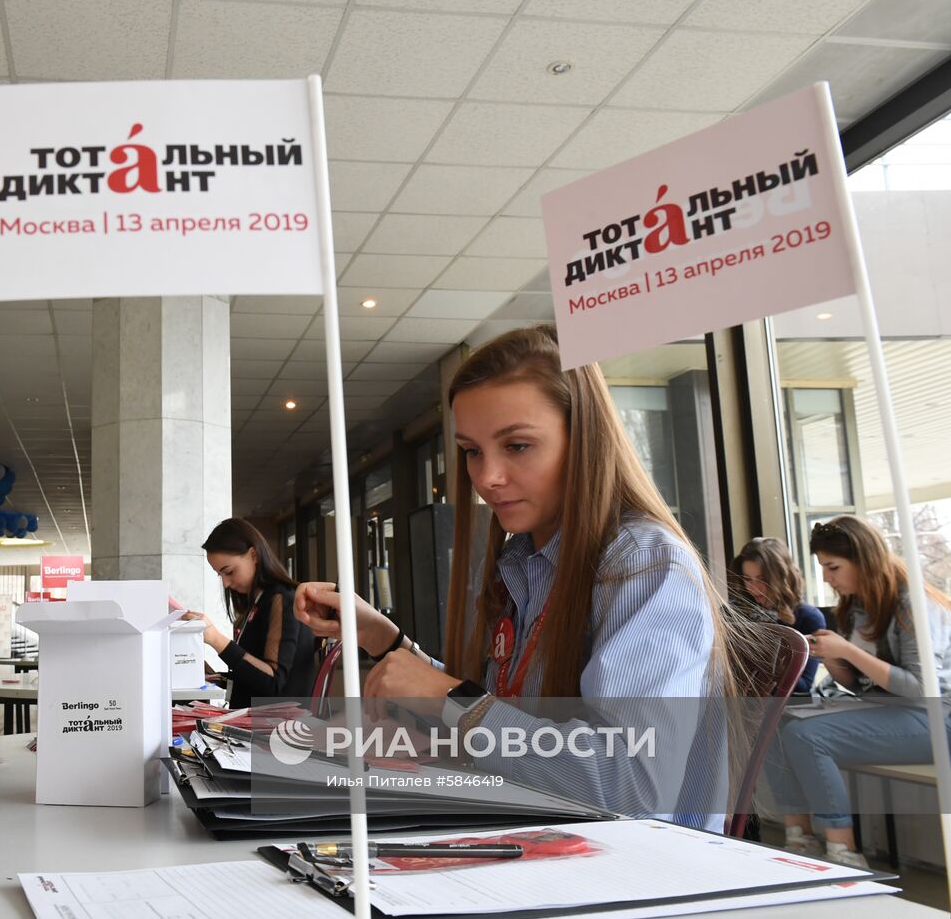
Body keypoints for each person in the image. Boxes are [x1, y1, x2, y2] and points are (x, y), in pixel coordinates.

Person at [295, 324, 737, 831]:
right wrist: (383, 636)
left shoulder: (643, 565)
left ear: (585, 439)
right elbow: (508, 722)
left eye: (518, 446)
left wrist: (447, 698)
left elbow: (627, 783)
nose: (487, 478)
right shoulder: (529, 556)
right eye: (472, 451)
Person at [767, 515, 951, 867]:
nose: (826, 578)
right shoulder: (856, 605)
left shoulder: (911, 604)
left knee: (807, 736)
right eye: (823, 567)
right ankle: (799, 839)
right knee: (777, 725)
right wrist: (832, 659)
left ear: (863, 559)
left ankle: (843, 853)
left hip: (936, 717)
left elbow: (920, 689)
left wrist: (848, 651)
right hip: (894, 712)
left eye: (833, 567)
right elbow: (862, 684)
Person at [185, 518, 317, 709]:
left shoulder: (282, 599)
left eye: (229, 571)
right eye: (219, 575)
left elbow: (273, 684)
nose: (225, 583)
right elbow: (254, 682)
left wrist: (216, 640)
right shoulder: (261, 601)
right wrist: (214, 677)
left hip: (274, 728)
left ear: (253, 555)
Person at [734, 537, 825, 693]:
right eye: (747, 579)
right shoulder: (732, 612)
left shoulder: (808, 617)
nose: (753, 588)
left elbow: (803, 687)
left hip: (783, 710)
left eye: (762, 579)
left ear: (781, 577)